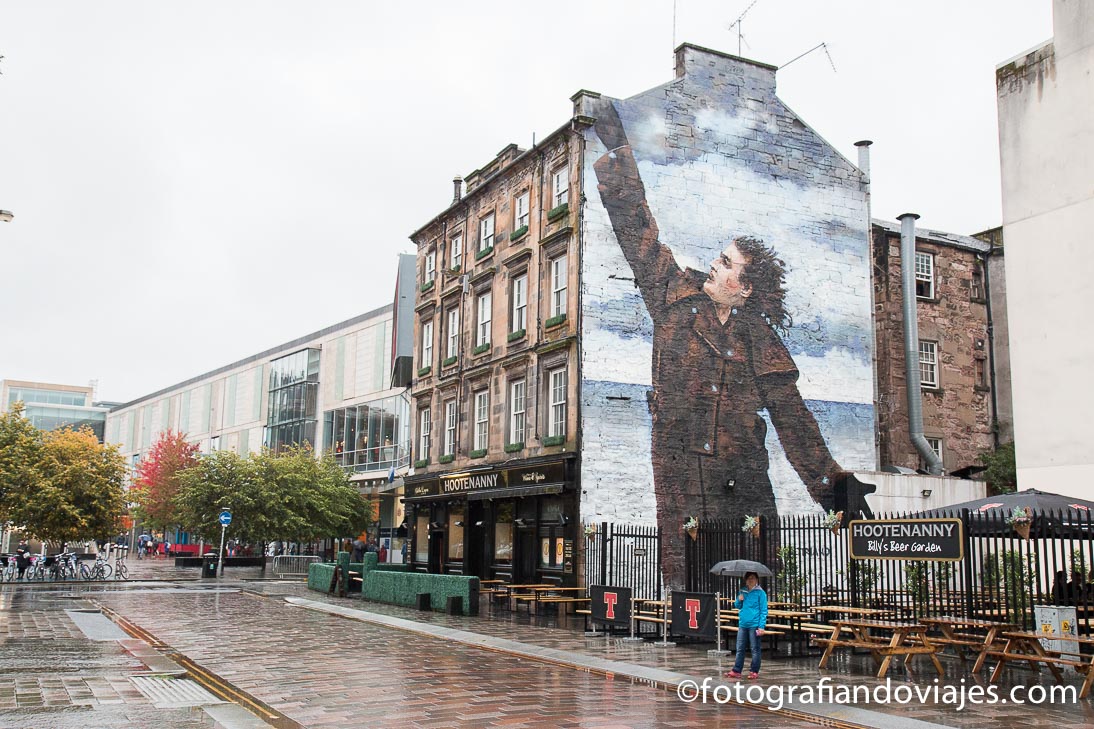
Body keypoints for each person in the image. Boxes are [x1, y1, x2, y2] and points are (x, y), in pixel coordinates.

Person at [591, 101, 865, 589]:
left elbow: (793, 417)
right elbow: (637, 229)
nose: (714, 266)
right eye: (717, 258)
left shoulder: (760, 340)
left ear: (746, 287)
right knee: (689, 577)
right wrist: (620, 151)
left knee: (755, 575)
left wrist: (833, 488)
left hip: (745, 478)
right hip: (680, 472)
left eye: (726, 263)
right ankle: (690, 633)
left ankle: (758, 637)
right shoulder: (672, 295)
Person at [725, 572, 768, 679]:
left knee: (755, 648)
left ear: (757, 580)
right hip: (743, 624)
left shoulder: (760, 593)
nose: (750, 580)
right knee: (740, 648)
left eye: (752, 578)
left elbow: (763, 610)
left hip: (754, 624)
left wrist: (761, 626)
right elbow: (737, 605)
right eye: (748, 578)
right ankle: (737, 670)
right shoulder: (743, 591)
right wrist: (739, 600)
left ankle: (754, 670)